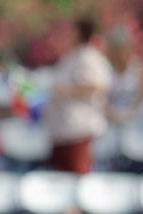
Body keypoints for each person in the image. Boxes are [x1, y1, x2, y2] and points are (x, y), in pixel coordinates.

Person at [46, 17, 112, 173]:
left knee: (79, 181)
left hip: (80, 131)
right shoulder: (71, 57)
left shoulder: (89, 57)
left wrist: (67, 90)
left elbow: (97, 86)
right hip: (63, 132)